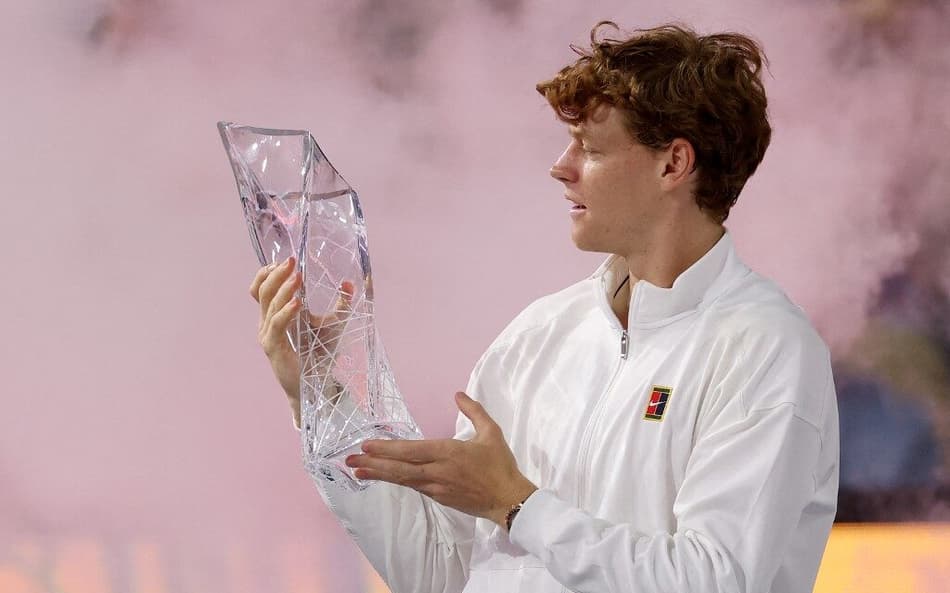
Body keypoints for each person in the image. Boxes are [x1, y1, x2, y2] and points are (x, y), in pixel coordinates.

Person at [249, 21, 839, 593]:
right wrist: (321, 394)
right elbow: (438, 574)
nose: (562, 167)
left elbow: (714, 580)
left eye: (590, 147)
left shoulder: (766, 348)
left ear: (673, 164)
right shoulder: (537, 335)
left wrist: (516, 504)